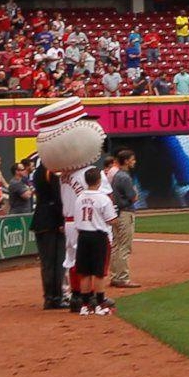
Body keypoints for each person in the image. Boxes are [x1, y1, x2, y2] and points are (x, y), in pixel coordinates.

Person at [30, 135, 72, 310]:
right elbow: (57, 198)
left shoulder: (39, 171)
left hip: (41, 218)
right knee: (57, 261)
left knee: (47, 262)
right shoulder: (50, 172)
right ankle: (55, 297)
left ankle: (50, 296)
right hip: (52, 220)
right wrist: (61, 220)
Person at [70, 167, 116, 316]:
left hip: (83, 235)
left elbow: (77, 220)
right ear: (98, 181)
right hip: (98, 236)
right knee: (98, 273)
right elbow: (111, 220)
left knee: (84, 272)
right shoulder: (103, 198)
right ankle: (100, 304)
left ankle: (84, 305)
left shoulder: (79, 198)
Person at [106, 151, 142, 288]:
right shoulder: (124, 177)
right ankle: (122, 277)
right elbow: (134, 197)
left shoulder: (116, 175)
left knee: (116, 245)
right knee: (124, 246)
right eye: (132, 159)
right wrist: (135, 193)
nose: (134, 161)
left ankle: (115, 276)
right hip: (125, 213)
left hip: (116, 212)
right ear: (126, 161)